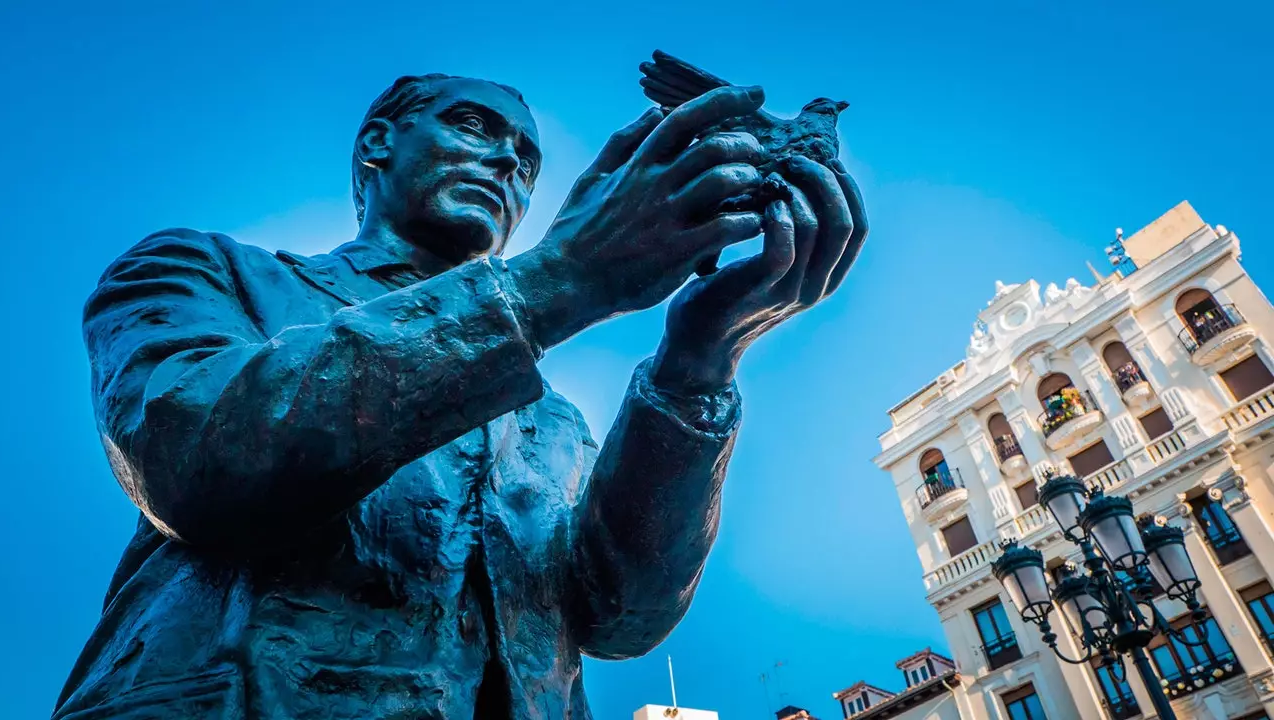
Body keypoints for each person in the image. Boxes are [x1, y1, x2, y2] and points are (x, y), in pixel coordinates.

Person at [55, 73, 867, 719]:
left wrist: (698, 363)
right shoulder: (207, 275)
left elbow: (623, 619)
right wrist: (564, 279)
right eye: (475, 127)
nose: (506, 163)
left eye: (525, 159)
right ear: (378, 143)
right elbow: (199, 458)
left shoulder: (553, 425)